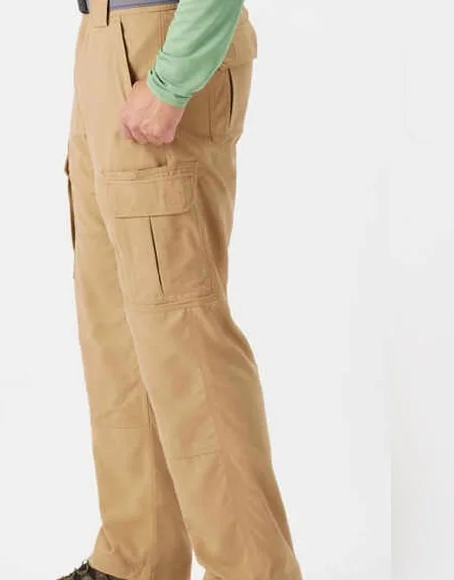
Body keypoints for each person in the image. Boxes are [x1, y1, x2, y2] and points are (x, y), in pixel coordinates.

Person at [60, 1, 302, 579]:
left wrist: (172, 78)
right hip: (105, 40)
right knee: (116, 327)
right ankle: (137, 559)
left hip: (161, 42)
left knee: (183, 332)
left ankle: (254, 573)